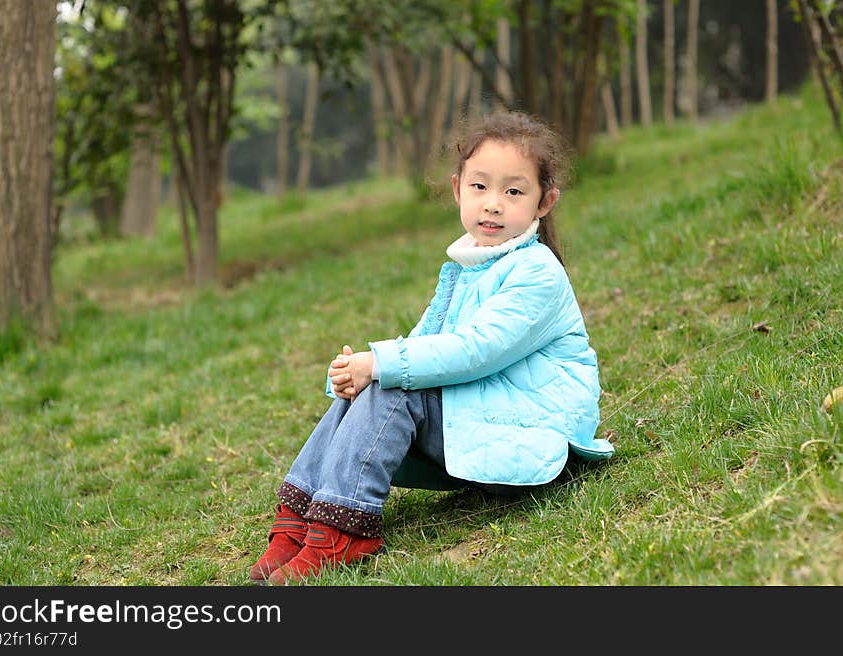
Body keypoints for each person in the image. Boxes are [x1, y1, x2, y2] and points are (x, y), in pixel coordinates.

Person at [248, 111, 615, 585]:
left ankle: (343, 530)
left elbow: (474, 351)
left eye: (514, 191)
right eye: (480, 187)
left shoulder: (537, 273)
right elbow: (422, 347)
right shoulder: (469, 266)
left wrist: (379, 364)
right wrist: (354, 372)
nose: (494, 205)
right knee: (379, 382)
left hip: (534, 439)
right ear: (458, 187)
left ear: (545, 202)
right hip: (482, 423)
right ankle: (298, 522)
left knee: (394, 381)